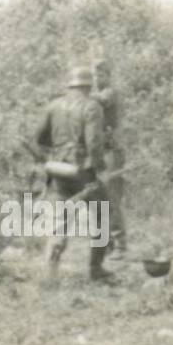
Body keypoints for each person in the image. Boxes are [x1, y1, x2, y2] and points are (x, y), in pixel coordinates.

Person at [33, 66, 113, 281]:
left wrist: (58, 150)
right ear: (89, 86)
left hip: (58, 169)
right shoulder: (92, 107)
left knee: (60, 219)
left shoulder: (53, 106)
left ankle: (51, 273)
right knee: (102, 214)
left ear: (69, 84)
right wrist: (97, 167)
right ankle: (96, 269)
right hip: (82, 171)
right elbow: (94, 142)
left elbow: (40, 138)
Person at [91, 58, 128, 258]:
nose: (98, 78)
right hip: (100, 151)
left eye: (101, 75)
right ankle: (107, 243)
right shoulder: (95, 97)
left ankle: (121, 245)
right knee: (98, 197)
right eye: (95, 75)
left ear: (108, 76)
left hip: (113, 151)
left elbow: (103, 99)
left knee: (112, 197)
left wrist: (79, 94)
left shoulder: (111, 92)